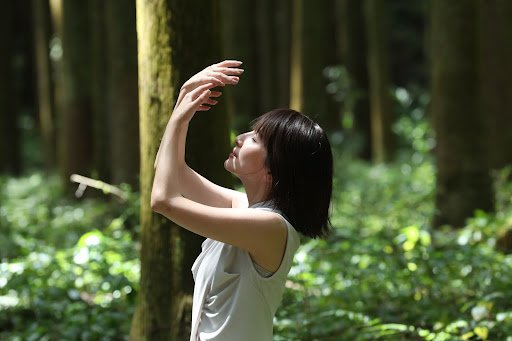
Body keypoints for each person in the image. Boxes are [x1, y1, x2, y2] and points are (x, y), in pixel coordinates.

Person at [151, 60, 333, 341]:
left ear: (275, 166)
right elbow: (169, 171)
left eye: (255, 140)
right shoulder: (246, 210)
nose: (239, 138)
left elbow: (163, 200)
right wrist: (183, 100)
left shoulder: (270, 227)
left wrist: (179, 120)